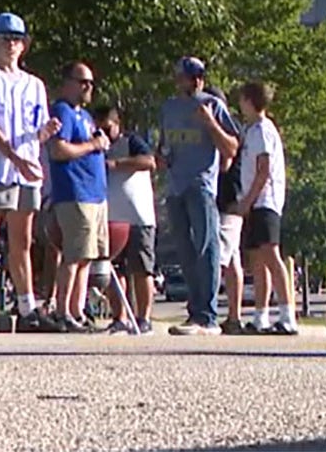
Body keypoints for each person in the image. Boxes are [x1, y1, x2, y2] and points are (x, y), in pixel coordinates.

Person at [0, 13, 62, 333]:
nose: (11, 45)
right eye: (5, 39)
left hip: (27, 170)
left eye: (16, 39)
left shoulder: (34, 85)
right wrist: (14, 156)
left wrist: (46, 133)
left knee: (23, 240)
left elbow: (36, 129)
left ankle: (27, 307)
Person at [158, 56, 240, 335]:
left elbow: (231, 148)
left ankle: (208, 316)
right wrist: (163, 157)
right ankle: (194, 313)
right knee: (184, 250)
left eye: (197, 76)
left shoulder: (212, 105)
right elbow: (163, 146)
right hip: (175, 186)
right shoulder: (168, 108)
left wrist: (210, 123)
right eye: (186, 76)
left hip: (201, 186)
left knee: (207, 247)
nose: (193, 81)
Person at [47, 62, 110, 333]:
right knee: (73, 255)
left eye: (91, 83)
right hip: (75, 194)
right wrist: (93, 146)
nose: (88, 88)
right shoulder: (62, 110)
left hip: (96, 196)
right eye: (82, 81)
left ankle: (77, 310)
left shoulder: (84, 115)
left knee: (87, 256)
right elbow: (58, 150)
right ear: (68, 82)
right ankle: (62, 311)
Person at [237, 81, 298, 335]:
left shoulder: (263, 130)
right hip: (255, 204)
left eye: (242, 100)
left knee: (271, 256)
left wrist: (247, 201)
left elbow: (263, 171)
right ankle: (260, 315)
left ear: (251, 101)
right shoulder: (250, 131)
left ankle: (287, 315)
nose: (239, 104)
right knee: (257, 260)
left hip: (265, 201)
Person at [95, 104, 159, 335]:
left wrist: (117, 164)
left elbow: (149, 162)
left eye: (107, 128)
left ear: (117, 125)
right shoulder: (96, 148)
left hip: (138, 215)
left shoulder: (130, 142)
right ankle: (119, 317)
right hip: (111, 217)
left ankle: (144, 318)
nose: (104, 134)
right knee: (114, 269)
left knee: (142, 268)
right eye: (98, 130)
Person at [206, 85, 250, 335]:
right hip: (232, 200)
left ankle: (207, 311)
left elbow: (225, 163)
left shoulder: (227, 128)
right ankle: (234, 316)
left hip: (228, 200)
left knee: (218, 258)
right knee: (233, 260)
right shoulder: (232, 126)